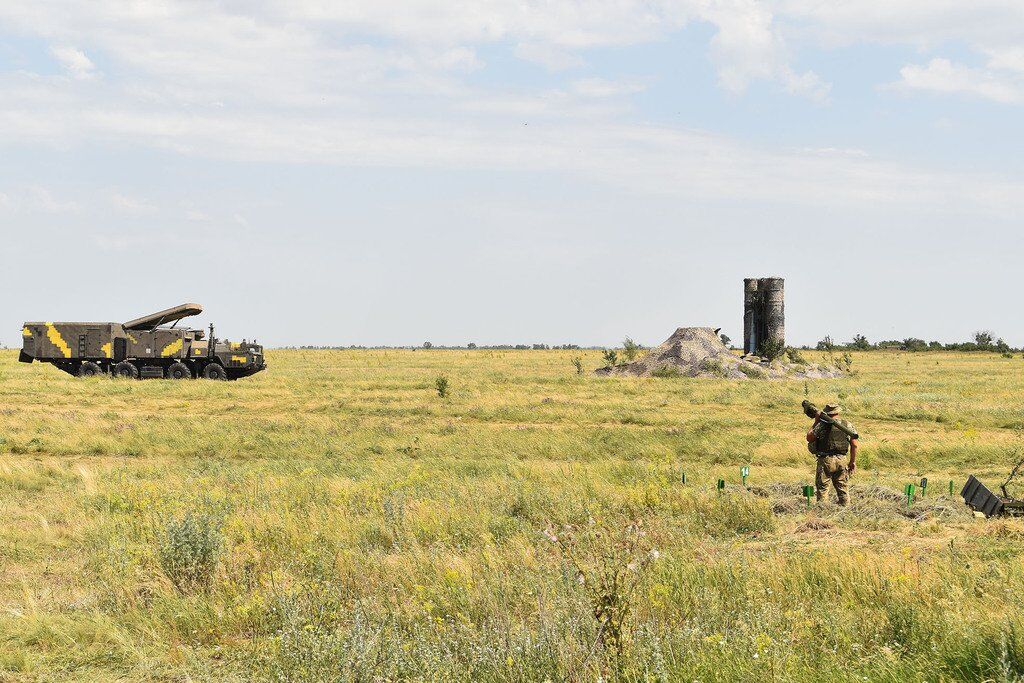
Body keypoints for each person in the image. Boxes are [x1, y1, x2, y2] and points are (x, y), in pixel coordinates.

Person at [806, 403, 857, 505]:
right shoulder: (847, 425)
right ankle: (845, 512)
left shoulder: (822, 425)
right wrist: (852, 462)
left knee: (823, 489)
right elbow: (854, 445)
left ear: (827, 412)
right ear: (838, 411)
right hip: (842, 459)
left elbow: (809, 438)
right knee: (843, 488)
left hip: (826, 460)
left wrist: (816, 421)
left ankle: (823, 512)